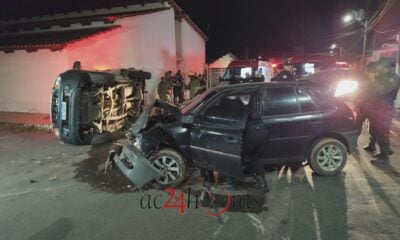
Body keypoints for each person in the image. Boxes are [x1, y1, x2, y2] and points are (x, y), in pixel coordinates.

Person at [367, 57, 400, 164]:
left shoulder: (393, 78)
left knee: (382, 132)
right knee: (374, 131)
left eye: (379, 65)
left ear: (385, 66)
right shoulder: (379, 76)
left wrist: (372, 80)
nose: (377, 67)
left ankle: (384, 157)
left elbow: (382, 91)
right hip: (376, 107)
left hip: (385, 108)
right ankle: (383, 151)